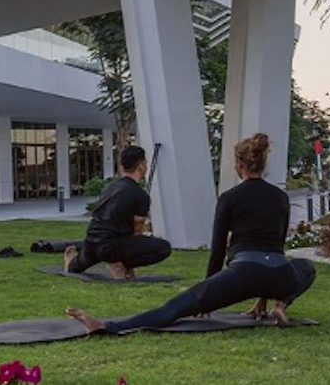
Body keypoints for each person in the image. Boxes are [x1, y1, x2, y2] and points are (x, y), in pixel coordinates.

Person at [67, 133, 316, 333]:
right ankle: (280, 304)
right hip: (280, 275)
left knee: (175, 308)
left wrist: (207, 292)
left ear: (239, 165)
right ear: (262, 164)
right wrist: (265, 297)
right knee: (307, 268)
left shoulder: (230, 198)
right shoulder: (280, 197)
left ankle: (109, 326)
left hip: (245, 273)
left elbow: (218, 248)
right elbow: (277, 245)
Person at [64, 146, 171, 279]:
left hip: (91, 242)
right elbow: (136, 232)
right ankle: (118, 263)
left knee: (74, 268)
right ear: (141, 165)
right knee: (164, 248)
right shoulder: (140, 195)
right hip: (112, 247)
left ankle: (73, 262)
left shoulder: (109, 187)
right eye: (145, 163)